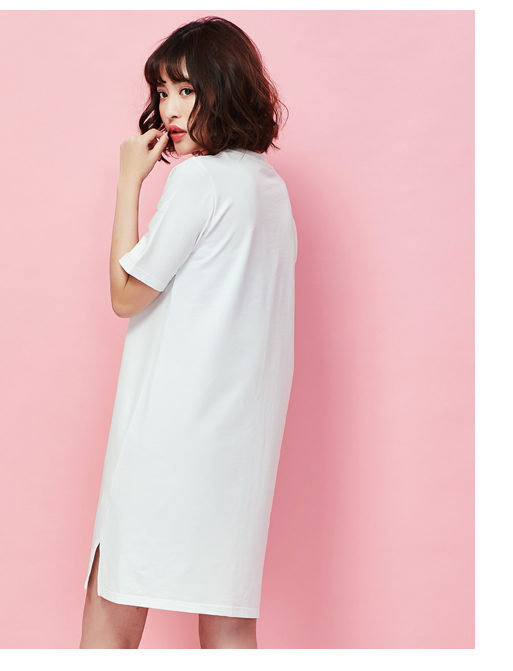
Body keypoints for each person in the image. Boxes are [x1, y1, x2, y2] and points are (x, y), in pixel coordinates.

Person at [80, 16, 297, 649]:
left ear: (224, 88)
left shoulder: (198, 179)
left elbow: (125, 295)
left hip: (170, 436)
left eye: (186, 90)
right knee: (227, 622)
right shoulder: (268, 185)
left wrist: (129, 182)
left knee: (112, 601)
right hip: (238, 445)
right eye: (163, 91)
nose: (170, 109)